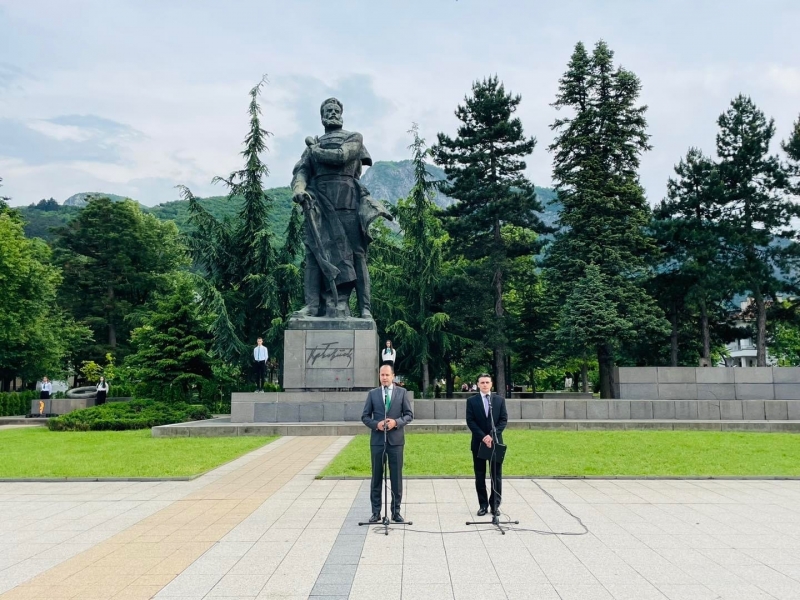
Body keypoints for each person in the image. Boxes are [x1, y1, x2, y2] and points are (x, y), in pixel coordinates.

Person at [291, 97, 392, 319]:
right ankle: (312, 305)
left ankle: (365, 307)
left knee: (357, 254)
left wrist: (314, 149)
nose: (332, 113)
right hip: (318, 205)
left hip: (348, 204)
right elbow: (301, 172)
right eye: (328, 110)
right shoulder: (312, 146)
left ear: (342, 114)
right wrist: (299, 189)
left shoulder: (353, 137)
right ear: (322, 116)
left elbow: (341, 156)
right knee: (313, 254)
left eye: (336, 110)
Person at [361, 364, 414, 523]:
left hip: (396, 441)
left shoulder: (402, 393)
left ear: (393, 376)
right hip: (377, 441)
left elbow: (409, 415)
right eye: (382, 375)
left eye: (387, 375)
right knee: (376, 476)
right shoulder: (373, 394)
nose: (384, 378)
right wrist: (376, 424)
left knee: (396, 477)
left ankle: (396, 512)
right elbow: (365, 416)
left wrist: (396, 422)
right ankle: (376, 512)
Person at [466, 373, 508, 517]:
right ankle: (482, 505)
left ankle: (495, 505)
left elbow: (503, 420)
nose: (485, 385)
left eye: (487, 382)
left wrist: (491, 434)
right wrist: (483, 436)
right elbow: (470, 421)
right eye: (482, 382)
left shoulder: (499, 400)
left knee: (496, 475)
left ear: (491, 384)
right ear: (477, 384)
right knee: (480, 475)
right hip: (478, 442)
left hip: (495, 442)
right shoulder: (471, 401)